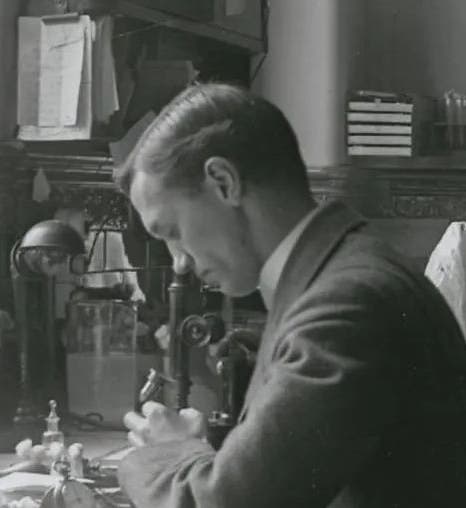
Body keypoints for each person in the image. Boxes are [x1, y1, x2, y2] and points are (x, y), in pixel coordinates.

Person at [115, 83, 466, 507]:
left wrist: (163, 454)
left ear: (223, 182)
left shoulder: (346, 305)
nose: (180, 262)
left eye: (172, 232)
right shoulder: (340, 270)